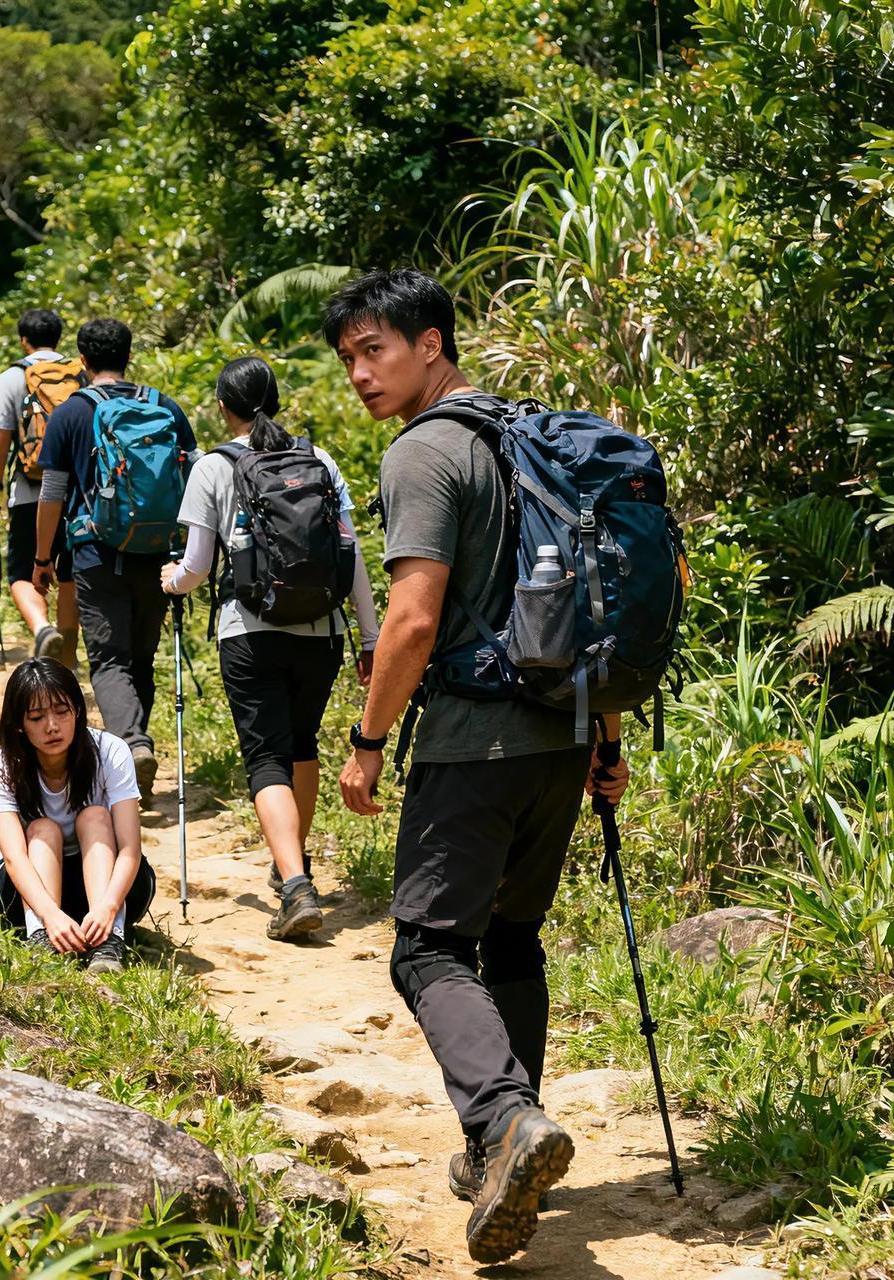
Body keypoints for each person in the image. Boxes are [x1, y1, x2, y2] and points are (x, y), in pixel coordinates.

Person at [324, 269, 631, 1265]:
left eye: (374, 350)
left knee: (423, 947)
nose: (360, 375)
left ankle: (502, 1121)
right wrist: (607, 735)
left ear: (430, 343)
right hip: (558, 734)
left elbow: (411, 617)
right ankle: (502, 1143)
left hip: (472, 739)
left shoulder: (426, 451)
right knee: (513, 939)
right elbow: (597, 595)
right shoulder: (527, 437)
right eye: (347, 360)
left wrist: (366, 742)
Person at [160, 356, 379, 941]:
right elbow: (350, 556)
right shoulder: (319, 460)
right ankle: (295, 868)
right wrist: (370, 638)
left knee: (266, 756)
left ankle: (293, 884)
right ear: (275, 399)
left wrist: (170, 580)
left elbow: (198, 569)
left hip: (249, 629)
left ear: (223, 406)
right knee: (301, 744)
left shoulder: (212, 467)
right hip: (322, 630)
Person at [33, 317, 197, 803]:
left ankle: (131, 742)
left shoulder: (71, 412)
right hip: (158, 554)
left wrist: (43, 557)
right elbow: (194, 476)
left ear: (82, 360)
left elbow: (53, 494)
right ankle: (135, 743)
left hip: (96, 553)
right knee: (140, 657)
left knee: (108, 658)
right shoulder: (162, 405)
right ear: (129, 356)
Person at [0, 657, 156, 974]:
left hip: (106, 889)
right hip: (26, 894)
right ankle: (42, 941)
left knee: (95, 817)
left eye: (62, 712)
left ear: (77, 709)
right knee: (42, 829)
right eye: (37, 717)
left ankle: (108, 941)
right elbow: (14, 858)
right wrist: (49, 915)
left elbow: (130, 846)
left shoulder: (110, 750)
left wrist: (108, 906)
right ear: (19, 723)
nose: (52, 726)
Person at [0, 307, 84, 668]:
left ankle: (43, 629)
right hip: (76, 497)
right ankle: (67, 662)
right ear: (59, 338)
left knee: (21, 572)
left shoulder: (13, 376)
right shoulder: (80, 375)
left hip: (28, 492)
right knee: (69, 574)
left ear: (23, 339)